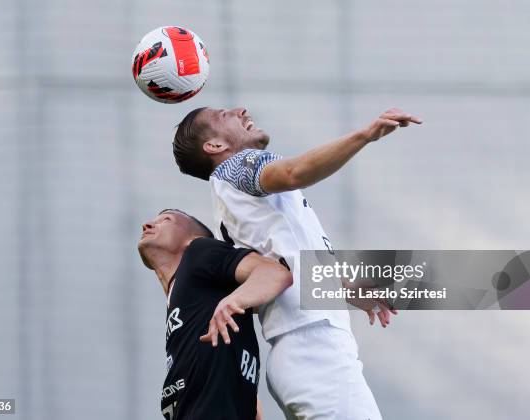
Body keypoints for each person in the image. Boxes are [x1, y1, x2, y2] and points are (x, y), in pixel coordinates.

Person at [172, 107, 422, 419]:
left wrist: (342, 286)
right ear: (215, 147)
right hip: (311, 346)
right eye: (224, 115)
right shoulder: (239, 164)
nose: (241, 110)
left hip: (301, 350)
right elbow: (293, 173)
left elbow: (283, 258)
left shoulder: (234, 198)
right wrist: (364, 135)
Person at [138, 208, 292, 420]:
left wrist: (233, 302)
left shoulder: (198, 252)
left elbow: (276, 274)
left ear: (192, 239)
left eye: (166, 220)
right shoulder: (188, 296)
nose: (147, 225)